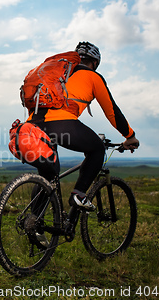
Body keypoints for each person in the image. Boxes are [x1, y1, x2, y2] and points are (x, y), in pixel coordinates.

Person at [28, 41, 139, 211]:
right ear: (95, 63)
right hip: (61, 124)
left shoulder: (58, 74)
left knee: (47, 177)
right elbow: (112, 112)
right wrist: (129, 136)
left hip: (33, 126)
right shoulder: (94, 77)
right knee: (97, 150)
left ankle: (34, 224)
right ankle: (78, 194)